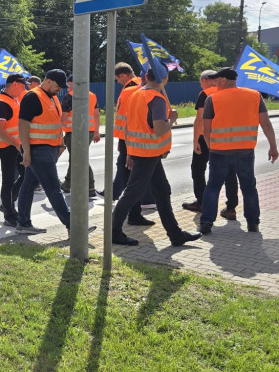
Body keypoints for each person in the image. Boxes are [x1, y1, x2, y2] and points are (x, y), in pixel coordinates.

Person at [111, 61, 201, 246]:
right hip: (148, 153)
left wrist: (128, 151)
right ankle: (114, 232)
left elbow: (128, 126)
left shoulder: (136, 94)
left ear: (146, 77)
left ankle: (175, 234)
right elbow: (160, 129)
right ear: (164, 78)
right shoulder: (157, 98)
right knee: (132, 193)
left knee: (162, 190)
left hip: (141, 151)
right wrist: (172, 118)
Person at [198, 67, 279, 234]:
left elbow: (206, 129)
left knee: (213, 187)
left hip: (219, 152)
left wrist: (210, 146)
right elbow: (266, 124)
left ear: (223, 81)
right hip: (245, 152)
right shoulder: (255, 96)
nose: (214, 83)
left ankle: (206, 222)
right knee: (248, 187)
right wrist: (273, 146)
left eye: (216, 79)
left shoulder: (212, 99)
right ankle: (253, 223)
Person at [15, 69, 94, 234]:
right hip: (38, 150)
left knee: (29, 185)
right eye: (58, 86)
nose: (61, 89)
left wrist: (60, 145)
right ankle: (74, 226)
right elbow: (23, 124)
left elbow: (54, 124)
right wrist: (26, 151)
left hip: (48, 149)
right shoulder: (32, 97)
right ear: (48, 81)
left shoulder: (52, 97)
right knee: (53, 188)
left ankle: (23, 223)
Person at [183, 70, 239, 218]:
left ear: (206, 80)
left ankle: (201, 202)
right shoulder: (230, 92)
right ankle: (231, 208)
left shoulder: (205, 93)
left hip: (206, 137)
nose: (201, 84)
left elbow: (199, 119)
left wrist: (195, 141)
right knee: (229, 173)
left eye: (201, 81)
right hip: (227, 138)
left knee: (198, 169)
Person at [111, 63, 156, 225]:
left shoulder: (130, 91)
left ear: (123, 75)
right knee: (135, 182)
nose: (118, 83)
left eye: (117, 79)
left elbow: (128, 120)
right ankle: (132, 216)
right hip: (137, 141)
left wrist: (124, 144)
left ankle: (123, 220)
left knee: (131, 182)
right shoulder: (139, 88)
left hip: (131, 141)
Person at [0, 73, 27, 226]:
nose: (24, 88)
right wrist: (17, 145)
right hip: (7, 147)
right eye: (23, 85)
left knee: (27, 175)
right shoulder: (1, 103)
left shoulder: (13, 100)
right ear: (15, 84)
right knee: (8, 181)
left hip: (15, 146)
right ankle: (9, 214)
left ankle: (8, 203)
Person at [61, 75, 101, 197]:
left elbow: (63, 118)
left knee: (80, 159)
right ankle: (67, 185)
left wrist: (57, 132)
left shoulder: (70, 97)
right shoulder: (92, 95)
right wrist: (96, 131)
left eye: (68, 84)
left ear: (74, 83)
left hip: (74, 133)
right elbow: (96, 115)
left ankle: (90, 187)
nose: (68, 88)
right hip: (88, 132)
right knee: (76, 158)